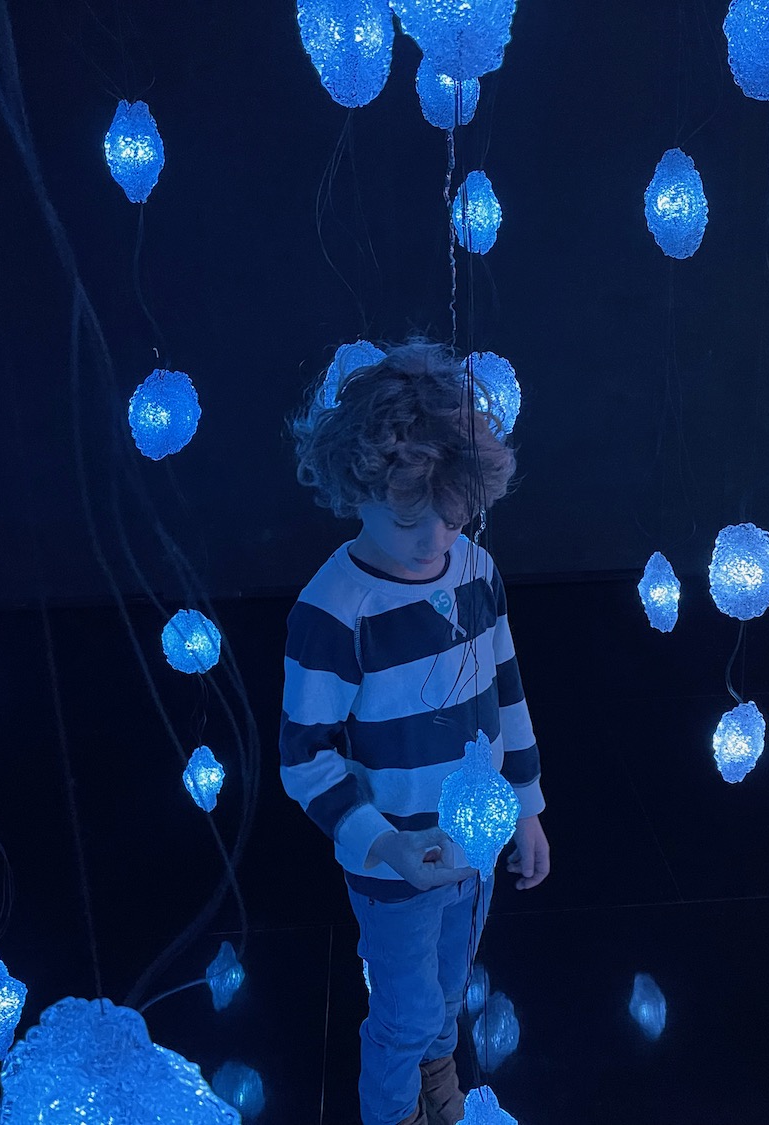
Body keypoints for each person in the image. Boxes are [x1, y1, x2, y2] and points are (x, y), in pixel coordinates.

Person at [281, 340, 550, 1125]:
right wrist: (385, 844)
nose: (436, 539)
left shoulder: (476, 570)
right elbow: (307, 759)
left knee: (448, 983)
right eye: (410, 521)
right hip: (394, 863)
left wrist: (527, 806)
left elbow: (507, 688)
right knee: (400, 1012)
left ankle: (440, 1070)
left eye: (452, 515)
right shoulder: (334, 612)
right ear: (356, 489)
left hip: (476, 849)